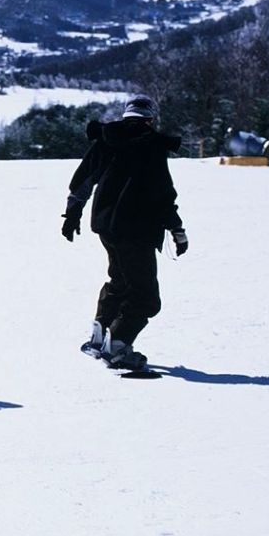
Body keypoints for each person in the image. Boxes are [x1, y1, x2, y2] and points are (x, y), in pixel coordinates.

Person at [61, 94, 190, 371]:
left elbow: (83, 178)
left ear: (125, 115)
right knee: (145, 296)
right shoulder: (153, 145)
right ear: (150, 118)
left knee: (120, 279)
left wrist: (73, 213)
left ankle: (99, 336)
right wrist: (177, 229)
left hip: (107, 227)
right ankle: (117, 346)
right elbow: (163, 194)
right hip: (138, 230)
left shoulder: (107, 138)